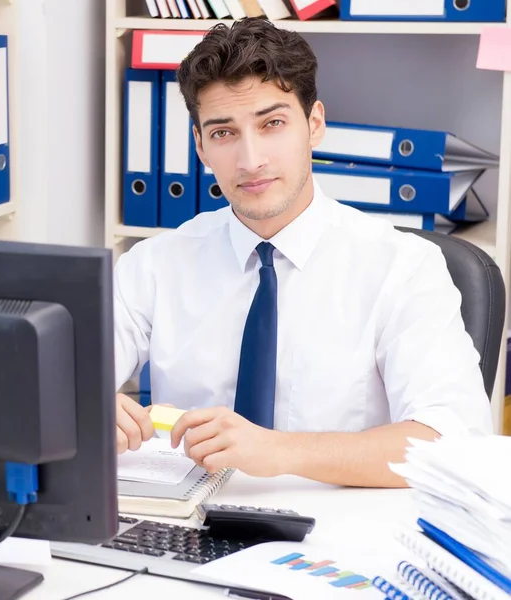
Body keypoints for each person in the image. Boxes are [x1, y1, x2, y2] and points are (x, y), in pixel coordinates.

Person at [113, 18, 493, 488]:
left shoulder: (403, 268)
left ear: (314, 125)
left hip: (338, 539)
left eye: (272, 124)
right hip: (190, 526)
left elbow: (454, 441)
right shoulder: (153, 265)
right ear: (200, 146)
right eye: (224, 133)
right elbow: (52, 380)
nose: (251, 160)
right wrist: (83, 406)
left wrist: (279, 450)